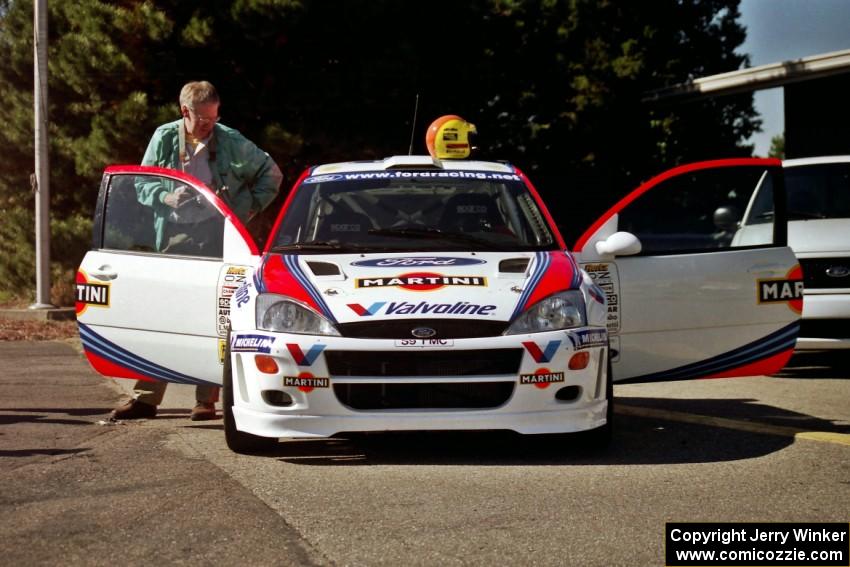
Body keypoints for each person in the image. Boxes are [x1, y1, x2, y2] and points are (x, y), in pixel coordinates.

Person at [111, 80, 283, 421]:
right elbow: (142, 182)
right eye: (202, 119)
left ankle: (206, 401)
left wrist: (243, 210)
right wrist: (165, 196)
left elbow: (272, 174)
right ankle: (146, 399)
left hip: (217, 236)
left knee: (214, 317)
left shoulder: (231, 140)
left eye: (213, 119)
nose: (208, 126)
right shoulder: (163, 138)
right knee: (161, 315)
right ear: (184, 111)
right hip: (171, 237)